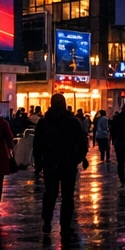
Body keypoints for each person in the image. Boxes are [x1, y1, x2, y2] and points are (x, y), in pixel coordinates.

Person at [32, 94, 89, 239]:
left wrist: (38, 163)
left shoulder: (43, 123)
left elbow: (37, 145)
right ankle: (65, 226)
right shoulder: (72, 122)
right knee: (67, 196)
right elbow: (82, 143)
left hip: (50, 162)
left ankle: (47, 221)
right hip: (68, 163)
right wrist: (78, 158)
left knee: (50, 193)